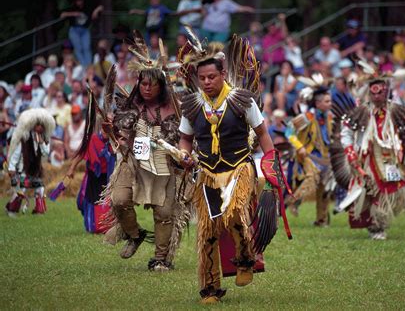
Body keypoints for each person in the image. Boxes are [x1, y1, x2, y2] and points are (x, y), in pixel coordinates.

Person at [177, 32, 282, 304]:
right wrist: (184, 155)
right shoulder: (192, 105)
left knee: (235, 214)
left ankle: (246, 259)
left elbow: (262, 132)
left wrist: (270, 160)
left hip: (238, 167)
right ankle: (210, 288)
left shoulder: (241, 100)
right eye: (202, 78)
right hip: (208, 173)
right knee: (207, 230)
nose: (206, 82)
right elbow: (185, 139)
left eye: (211, 77)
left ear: (223, 73)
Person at [101, 31, 192, 272]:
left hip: (163, 164)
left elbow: (186, 136)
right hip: (133, 162)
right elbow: (117, 134)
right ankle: (134, 234)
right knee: (119, 200)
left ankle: (161, 259)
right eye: (143, 83)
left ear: (161, 86)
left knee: (164, 212)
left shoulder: (176, 107)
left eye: (152, 84)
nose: (147, 88)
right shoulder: (130, 105)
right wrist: (112, 134)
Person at [331, 67, 405, 240]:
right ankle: (376, 225)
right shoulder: (361, 112)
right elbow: (347, 133)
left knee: (393, 192)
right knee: (372, 191)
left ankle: (380, 221)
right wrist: (351, 153)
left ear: (386, 91)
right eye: (373, 93)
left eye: (380, 93)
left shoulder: (396, 110)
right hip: (368, 158)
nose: (376, 97)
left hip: (392, 159)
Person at [284, 79, 334, 226]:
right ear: (318, 103)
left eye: (330, 101)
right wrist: (299, 147)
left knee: (323, 186)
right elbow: (289, 131)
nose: (330, 104)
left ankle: (321, 219)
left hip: (324, 157)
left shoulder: (330, 117)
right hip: (307, 154)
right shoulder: (307, 117)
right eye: (327, 101)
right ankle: (294, 201)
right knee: (312, 176)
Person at [67, 122, 116, 233]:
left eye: (108, 130)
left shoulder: (114, 141)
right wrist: (71, 168)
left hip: (109, 177)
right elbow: (80, 154)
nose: (106, 133)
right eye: (104, 130)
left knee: (108, 201)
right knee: (91, 200)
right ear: (101, 129)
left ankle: (108, 225)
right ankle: (92, 225)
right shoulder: (92, 139)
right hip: (93, 176)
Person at [5, 108, 55, 217]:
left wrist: (41, 143)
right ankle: (11, 209)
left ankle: (39, 211)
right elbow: (17, 153)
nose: (40, 128)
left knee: (40, 188)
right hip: (24, 168)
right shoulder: (25, 137)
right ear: (33, 125)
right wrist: (12, 167)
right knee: (21, 189)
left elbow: (46, 153)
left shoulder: (45, 138)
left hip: (36, 169)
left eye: (43, 125)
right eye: (38, 125)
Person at [60, 0, 104, 66]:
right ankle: (84, 67)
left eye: (80, 0)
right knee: (78, 49)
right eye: (77, 1)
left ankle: (89, 66)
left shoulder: (87, 7)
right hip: (74, 30)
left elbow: (101, 7)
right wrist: (73, 14)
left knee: (86, 48)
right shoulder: (73, 7)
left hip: (85, 30)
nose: (79, 2)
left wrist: (96, 11)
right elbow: (62, 14)